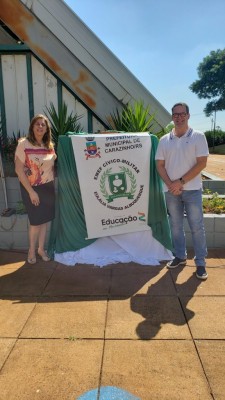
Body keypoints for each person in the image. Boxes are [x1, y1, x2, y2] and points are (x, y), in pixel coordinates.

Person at [155, 102, 209, 280]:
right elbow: (160, 165)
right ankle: (180, 256)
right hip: (171, 191)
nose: (179, 117)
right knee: (176, 227)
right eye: (175, 114)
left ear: (188, 115)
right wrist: (171, 184)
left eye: (182, 114)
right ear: (172, 117)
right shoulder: (164, 140)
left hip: (192, 190)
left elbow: (202, 163)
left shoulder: (198, 136)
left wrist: (180, 182)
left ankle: (200, 263)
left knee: (197, 228)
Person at [15, 114, 57, 264]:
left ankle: (41, 249)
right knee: (35, 222)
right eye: (37, 124)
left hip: (47, 187)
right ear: (32, 127)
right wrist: (31, 192)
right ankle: (31, 250)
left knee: (44, 220)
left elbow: (51, 167)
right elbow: (19, 170)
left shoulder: (49, 146)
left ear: (47, 129)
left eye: (43, 125)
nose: (40, 127)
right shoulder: (24, 144)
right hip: (31, 187)